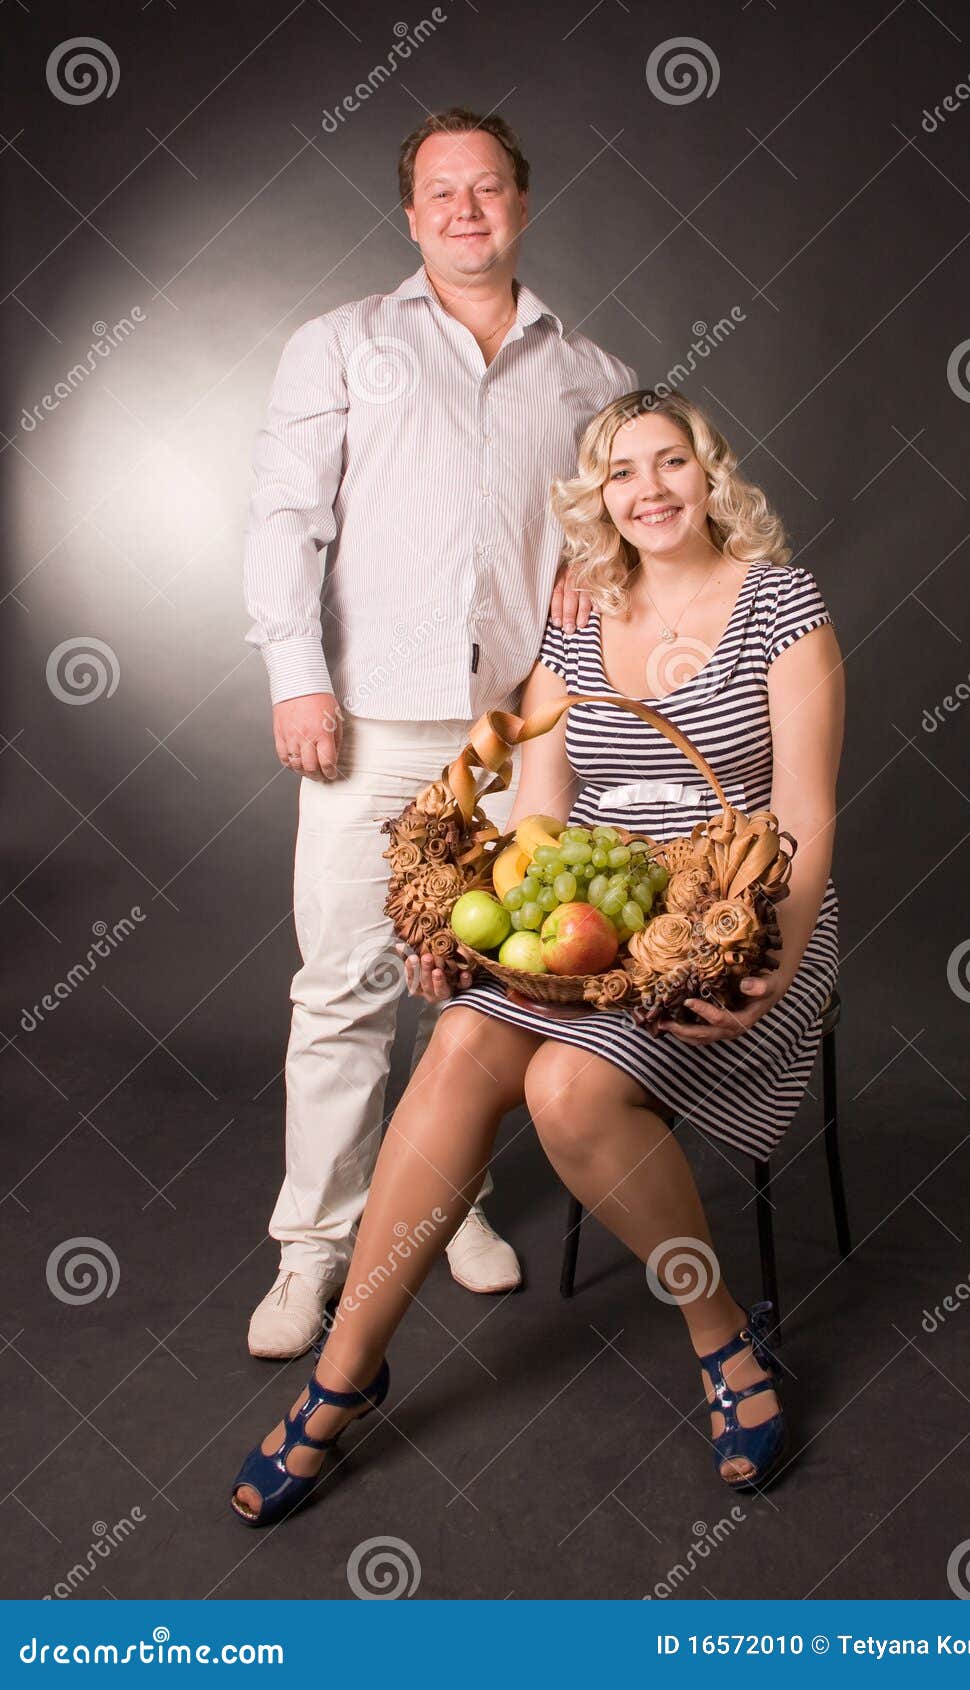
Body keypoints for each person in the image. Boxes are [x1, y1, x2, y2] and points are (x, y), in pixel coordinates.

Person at [229, 389, 844, 1526]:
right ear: (596, 496)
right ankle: (346, 1371)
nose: (648, 490)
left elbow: (804, 817)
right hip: (585, 934)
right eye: (621, 472)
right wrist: (472, 936)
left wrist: (764, 976)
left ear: (711, 477)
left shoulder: (781, 606)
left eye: (671, 464)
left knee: (564, 1084)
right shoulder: (576, 619)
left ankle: (723, 1339)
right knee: (461, 1034)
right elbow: (539, 814)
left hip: (730, 926)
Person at [241, 107, 637, 1358]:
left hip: (520, 734)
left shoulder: (591, 373)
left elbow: (622, 525)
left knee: (483, 989)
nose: (465, 210)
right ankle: (312, 1250)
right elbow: (283, 518)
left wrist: (599, 564)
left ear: (522, 205)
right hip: (368, 724)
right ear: (410, 216)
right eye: (439, 193)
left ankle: (450, 1204)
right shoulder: (339, 345)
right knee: (346, 988)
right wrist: (295, 677)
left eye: (487, 189)